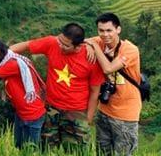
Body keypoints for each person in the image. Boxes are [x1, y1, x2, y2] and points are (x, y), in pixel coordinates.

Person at [11, 22, 104, 149]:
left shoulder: (90, 59)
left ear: (78, 46)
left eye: (65, 45)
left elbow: (95, 91)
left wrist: (88, 118)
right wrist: (5, 55)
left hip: (76, 112)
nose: (60, 45)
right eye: (60, 40)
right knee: (46, 148)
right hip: (51, 108)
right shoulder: (52, 43)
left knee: (77, 150)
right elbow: (26, 45)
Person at [0, 36, 46, 148]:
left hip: (32, 115)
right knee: (19, 147)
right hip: (22, 113)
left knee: (30, 149)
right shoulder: (7, 59)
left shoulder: (13, 63)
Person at [86, 13, 142, 155]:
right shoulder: (97, 42)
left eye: (109, 30)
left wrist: (94, 47)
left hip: (126, 114)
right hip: (104, 110)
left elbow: (108, 68)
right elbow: (81, 40)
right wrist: (89, 46)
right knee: (102, 152)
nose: (105, 35)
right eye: (101, 31)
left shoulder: (130, 49)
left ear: (118, 29)